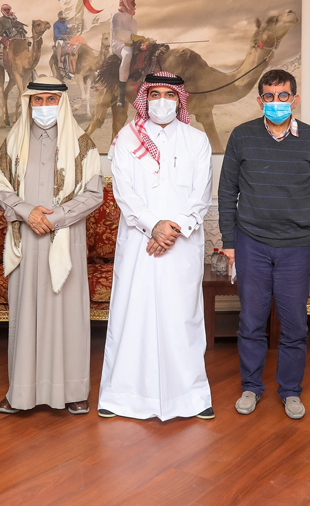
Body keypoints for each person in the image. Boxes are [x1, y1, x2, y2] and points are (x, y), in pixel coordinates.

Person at [218, 69, 310, 421]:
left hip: (297, 247)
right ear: (260, 101)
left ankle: (290, 391)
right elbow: (227, 193)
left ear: (294, 99)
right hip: (251, 243)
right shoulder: (242, 136)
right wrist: (229, 242)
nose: (276, 103)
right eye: (269, 97)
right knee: (251, 322)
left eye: (283, 96)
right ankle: (251, 387)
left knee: (295, 325)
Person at [98, 71, 215, 421]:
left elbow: (201, 194)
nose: (162, 101)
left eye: (169, 94)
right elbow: (124, 192)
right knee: (133, 315)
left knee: (183, 318)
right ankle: (122, 397)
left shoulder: (196, 140)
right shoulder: (125, 137)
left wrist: (172, 230)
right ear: (144, 98)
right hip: (139, 242)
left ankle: (192, 398)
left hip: (180, 244)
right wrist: (154, 226)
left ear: (180, 99)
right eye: (155, 94)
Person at [0, 77, 103, 415]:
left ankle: (73, 390)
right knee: (26, 315)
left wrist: (55, 217)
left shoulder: (82, 144)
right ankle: (21, 392)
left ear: (62, 103)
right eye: (36, 101)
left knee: (67, 314)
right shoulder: (13, 142)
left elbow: (93, 194)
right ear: (28, 103)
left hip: (64, 240)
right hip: (27, 240)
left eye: (49, 100)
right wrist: (27, 212)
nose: (42, 107)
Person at [110, 0, 138, 107]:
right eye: (132, 2)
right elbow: (117, 32)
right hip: (118, 44)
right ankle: (121, 96)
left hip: (130, 44)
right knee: (127, 55)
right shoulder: (117, 16)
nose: (135, 4)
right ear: (126, 3)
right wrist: (132, 37)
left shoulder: (133, 21)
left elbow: (134, 37)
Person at [52, 12, 72, 79]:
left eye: (64, 18)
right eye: (62, 18)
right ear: (59, 18)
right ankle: (59, 62)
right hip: (60, 39)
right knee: (60, 45)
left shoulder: (68, 23)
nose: (63, 20)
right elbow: (55, 34)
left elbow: (71, 32)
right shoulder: (56, 24)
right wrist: (62, 36)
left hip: (67, 40)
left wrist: (69, 36)